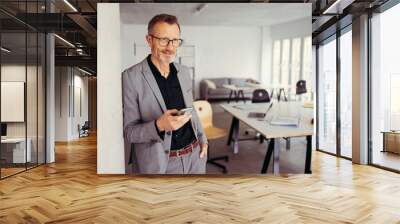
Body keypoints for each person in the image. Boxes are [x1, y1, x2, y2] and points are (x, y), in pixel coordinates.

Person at [122, 14, 208, 174]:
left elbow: (191, 111)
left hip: (195, 157)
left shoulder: (184, 71)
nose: (170, 47)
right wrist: (158, 125)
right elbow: (129, 133)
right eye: (163, 40)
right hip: (161, 165)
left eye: (175, 40)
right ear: (149, 40)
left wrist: (203, 140)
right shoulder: (131, 77)